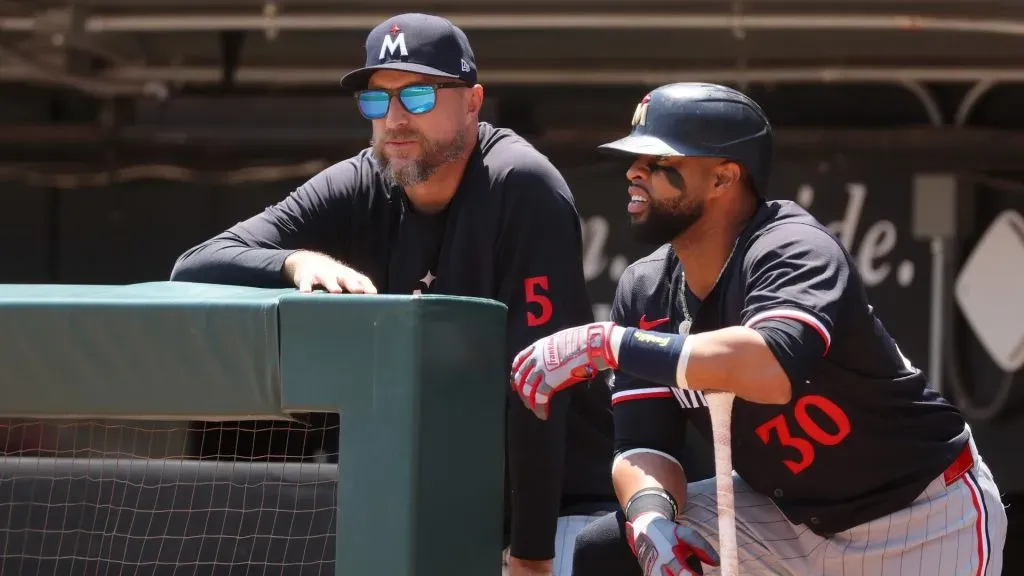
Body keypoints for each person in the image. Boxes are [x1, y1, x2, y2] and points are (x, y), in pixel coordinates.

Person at [170, 13, 617, 576]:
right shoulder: (360, 181)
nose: (396, 119)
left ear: (473, 101)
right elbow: (193, 267)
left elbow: (539, 390)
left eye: (419, 94)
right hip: (426, 511)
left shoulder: (521, 186)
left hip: (562, 510)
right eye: (377, 101)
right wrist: (293, 260)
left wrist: (530, 555)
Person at [509, 82, 1007, 576]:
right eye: (634, 158)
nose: (634, 172)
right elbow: (644, 445)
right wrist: (650, 519)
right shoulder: (645, 288)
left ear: (724, 178)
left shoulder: (791, 246)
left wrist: (609, 343)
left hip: (917, 516)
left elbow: (766, 368)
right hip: (781, 522)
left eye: (660, 161)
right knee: (610, 549)